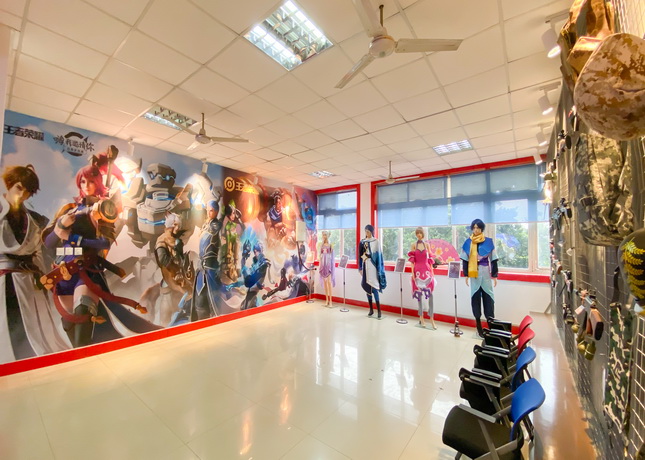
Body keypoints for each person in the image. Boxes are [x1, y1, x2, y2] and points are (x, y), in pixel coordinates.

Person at [43, 164, 154, 347]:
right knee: (70, 326)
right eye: (83, 182)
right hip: (63, 273)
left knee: (83, 320)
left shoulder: (102, 209)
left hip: (86, 271)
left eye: (91, 181)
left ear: (98, 183)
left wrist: (73, 238)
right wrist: (59, 229)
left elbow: (104, 243)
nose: (86, 186)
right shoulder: (68, 209)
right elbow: (49, 243)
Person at [0, 165, 71, 363]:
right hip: (6, 278)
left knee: (39, 326)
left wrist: (47, 274)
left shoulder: (33, 219)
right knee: (10, 324)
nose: (22, 195)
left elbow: (41, 250)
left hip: (30, 278)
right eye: (19, 188)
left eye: (27, 192)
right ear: (10, 184)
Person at [460, 219, 498, 338]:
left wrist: (495, 275)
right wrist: (466, 275)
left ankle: (491, 326)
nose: (476, 230)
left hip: (486, 274)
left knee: (489, 299)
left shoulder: (488, 241)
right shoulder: (468, 242)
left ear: (482, 228)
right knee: (475, 299)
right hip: (474, 275)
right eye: (474, 227)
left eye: (478, 227)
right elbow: (465, 260)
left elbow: (493, 259)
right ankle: (478, 327)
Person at [408, 227, 436, 329]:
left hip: (427, 270)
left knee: (431, 294)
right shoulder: (413, 245)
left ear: (423, 234)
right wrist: (412, 272)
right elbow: (412, 261)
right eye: (417, 233)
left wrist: (432, 272)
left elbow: (430, 260)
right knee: (419, 294)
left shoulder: (427, 245)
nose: (419, 234)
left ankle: (431, 317)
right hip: (417, 271)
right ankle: (421, 317)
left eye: (420, 233)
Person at [359, 224, 386, 319]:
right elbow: (360, 255)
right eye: (365, 231)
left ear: (371, 232)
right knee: (367, 287)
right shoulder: (362, 242)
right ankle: (371, 309)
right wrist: (360, 268)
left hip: (373, 266)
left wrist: (379, 269)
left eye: (368, 231)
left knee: (374, 287)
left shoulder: (376, 241)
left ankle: (379, 310)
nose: (367, 233)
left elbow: (379, 256)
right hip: (366, 266)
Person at [319, 230, 335, 306]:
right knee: (325, 283)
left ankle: (331, 301)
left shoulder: (331, 245)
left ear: (328, 235)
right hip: (323, 265)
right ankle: (327, 300)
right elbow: (320, 255)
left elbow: (332, 256)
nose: (324, 236)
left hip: (328, 265)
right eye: (323, 235)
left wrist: (331, 265)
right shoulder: (321, 245)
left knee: (329, 282)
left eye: (325, 235)